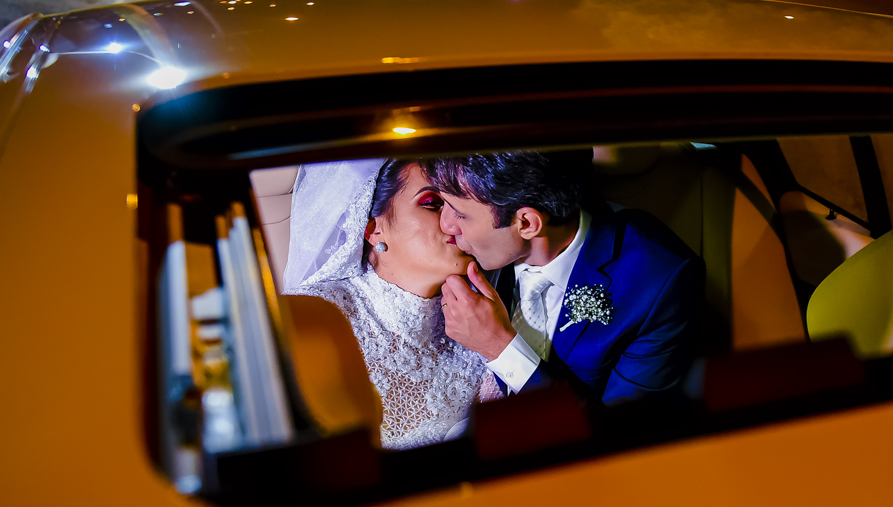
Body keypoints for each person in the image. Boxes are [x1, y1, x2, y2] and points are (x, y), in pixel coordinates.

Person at [428, 151, 703, 405]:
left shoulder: (660, 282)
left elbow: (621, 431)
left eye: (460, 214)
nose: (445, 225)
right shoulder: (463, 252)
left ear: (526, 223)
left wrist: (499, 347)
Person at [282, 158, 501, 449]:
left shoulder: (488, 318)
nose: (454, 220)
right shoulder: (316, 317)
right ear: (374, 230)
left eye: (461, 203)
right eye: (433, 203)